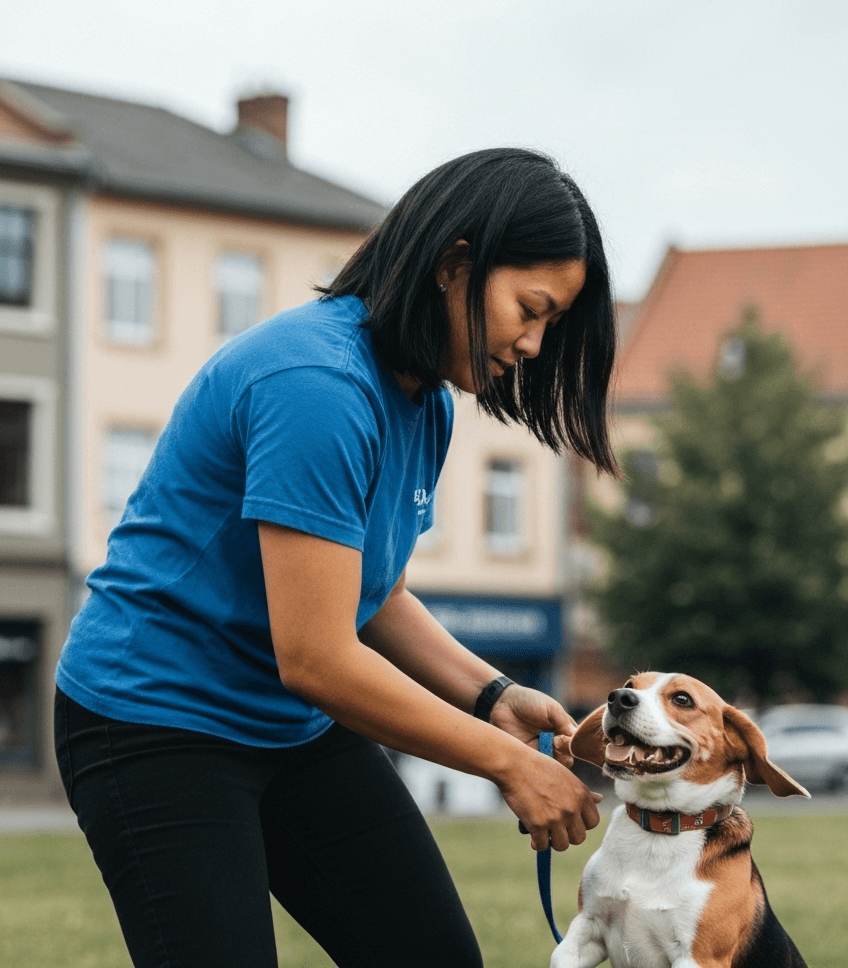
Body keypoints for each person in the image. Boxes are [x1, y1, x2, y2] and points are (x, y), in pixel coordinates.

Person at [53, 147, 618, 968]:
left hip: (292, 731)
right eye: (530, 308)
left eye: (551, 324)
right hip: (154, 723)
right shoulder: (314, 383)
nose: (534, 344)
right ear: (454, 265)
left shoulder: (424, 403)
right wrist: (503, 762)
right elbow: (316, 656)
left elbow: (370, 594)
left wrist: (492, 695)